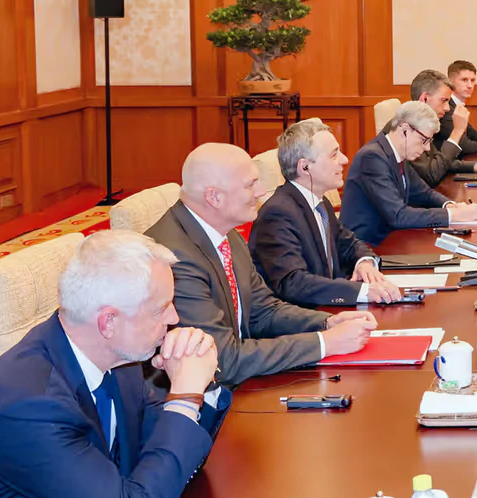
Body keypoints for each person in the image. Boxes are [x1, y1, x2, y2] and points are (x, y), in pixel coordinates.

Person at [0, 231, 225, 498]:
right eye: (160, 308)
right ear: (108, 322)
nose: (175, 318)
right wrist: (184, 396)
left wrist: (196, 379)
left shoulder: (118, 360)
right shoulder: (27, 406)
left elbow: (173, 457)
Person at [147, 143, 378, 387]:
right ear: (214, 197)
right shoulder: (174, 259)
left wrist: (326, 322)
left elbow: (262, 310)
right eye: (250, 185)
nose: (261, 191)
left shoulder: (226, 233)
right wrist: (324, 343)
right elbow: (221, 360)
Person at [250, 121, 403, 307]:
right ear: (305, 167)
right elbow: (293, 283)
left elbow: (347, 243)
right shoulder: (277, 214)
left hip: (330, 311)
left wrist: (364, 262)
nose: (345, 159)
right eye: (334, 155)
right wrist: (362, 292)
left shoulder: (319, 203)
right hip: (304, 324)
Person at [342, 100, 477, 245]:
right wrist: (454, 215)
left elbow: (424, 192)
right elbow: (398, 215)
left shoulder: (398, 154)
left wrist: (449, 205)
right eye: (424, 140)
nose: (428, 148)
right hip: (367, 248)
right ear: (405, 130)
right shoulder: (372, 158)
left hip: (392, 240)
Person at [407, 69, 477, 188]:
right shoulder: (409, 129)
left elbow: (437, 160)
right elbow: (432, 175)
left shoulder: (423, 124)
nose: (447, 108)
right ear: (424, 99)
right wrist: (457, 131)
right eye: (443, 101)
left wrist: (475, 166)